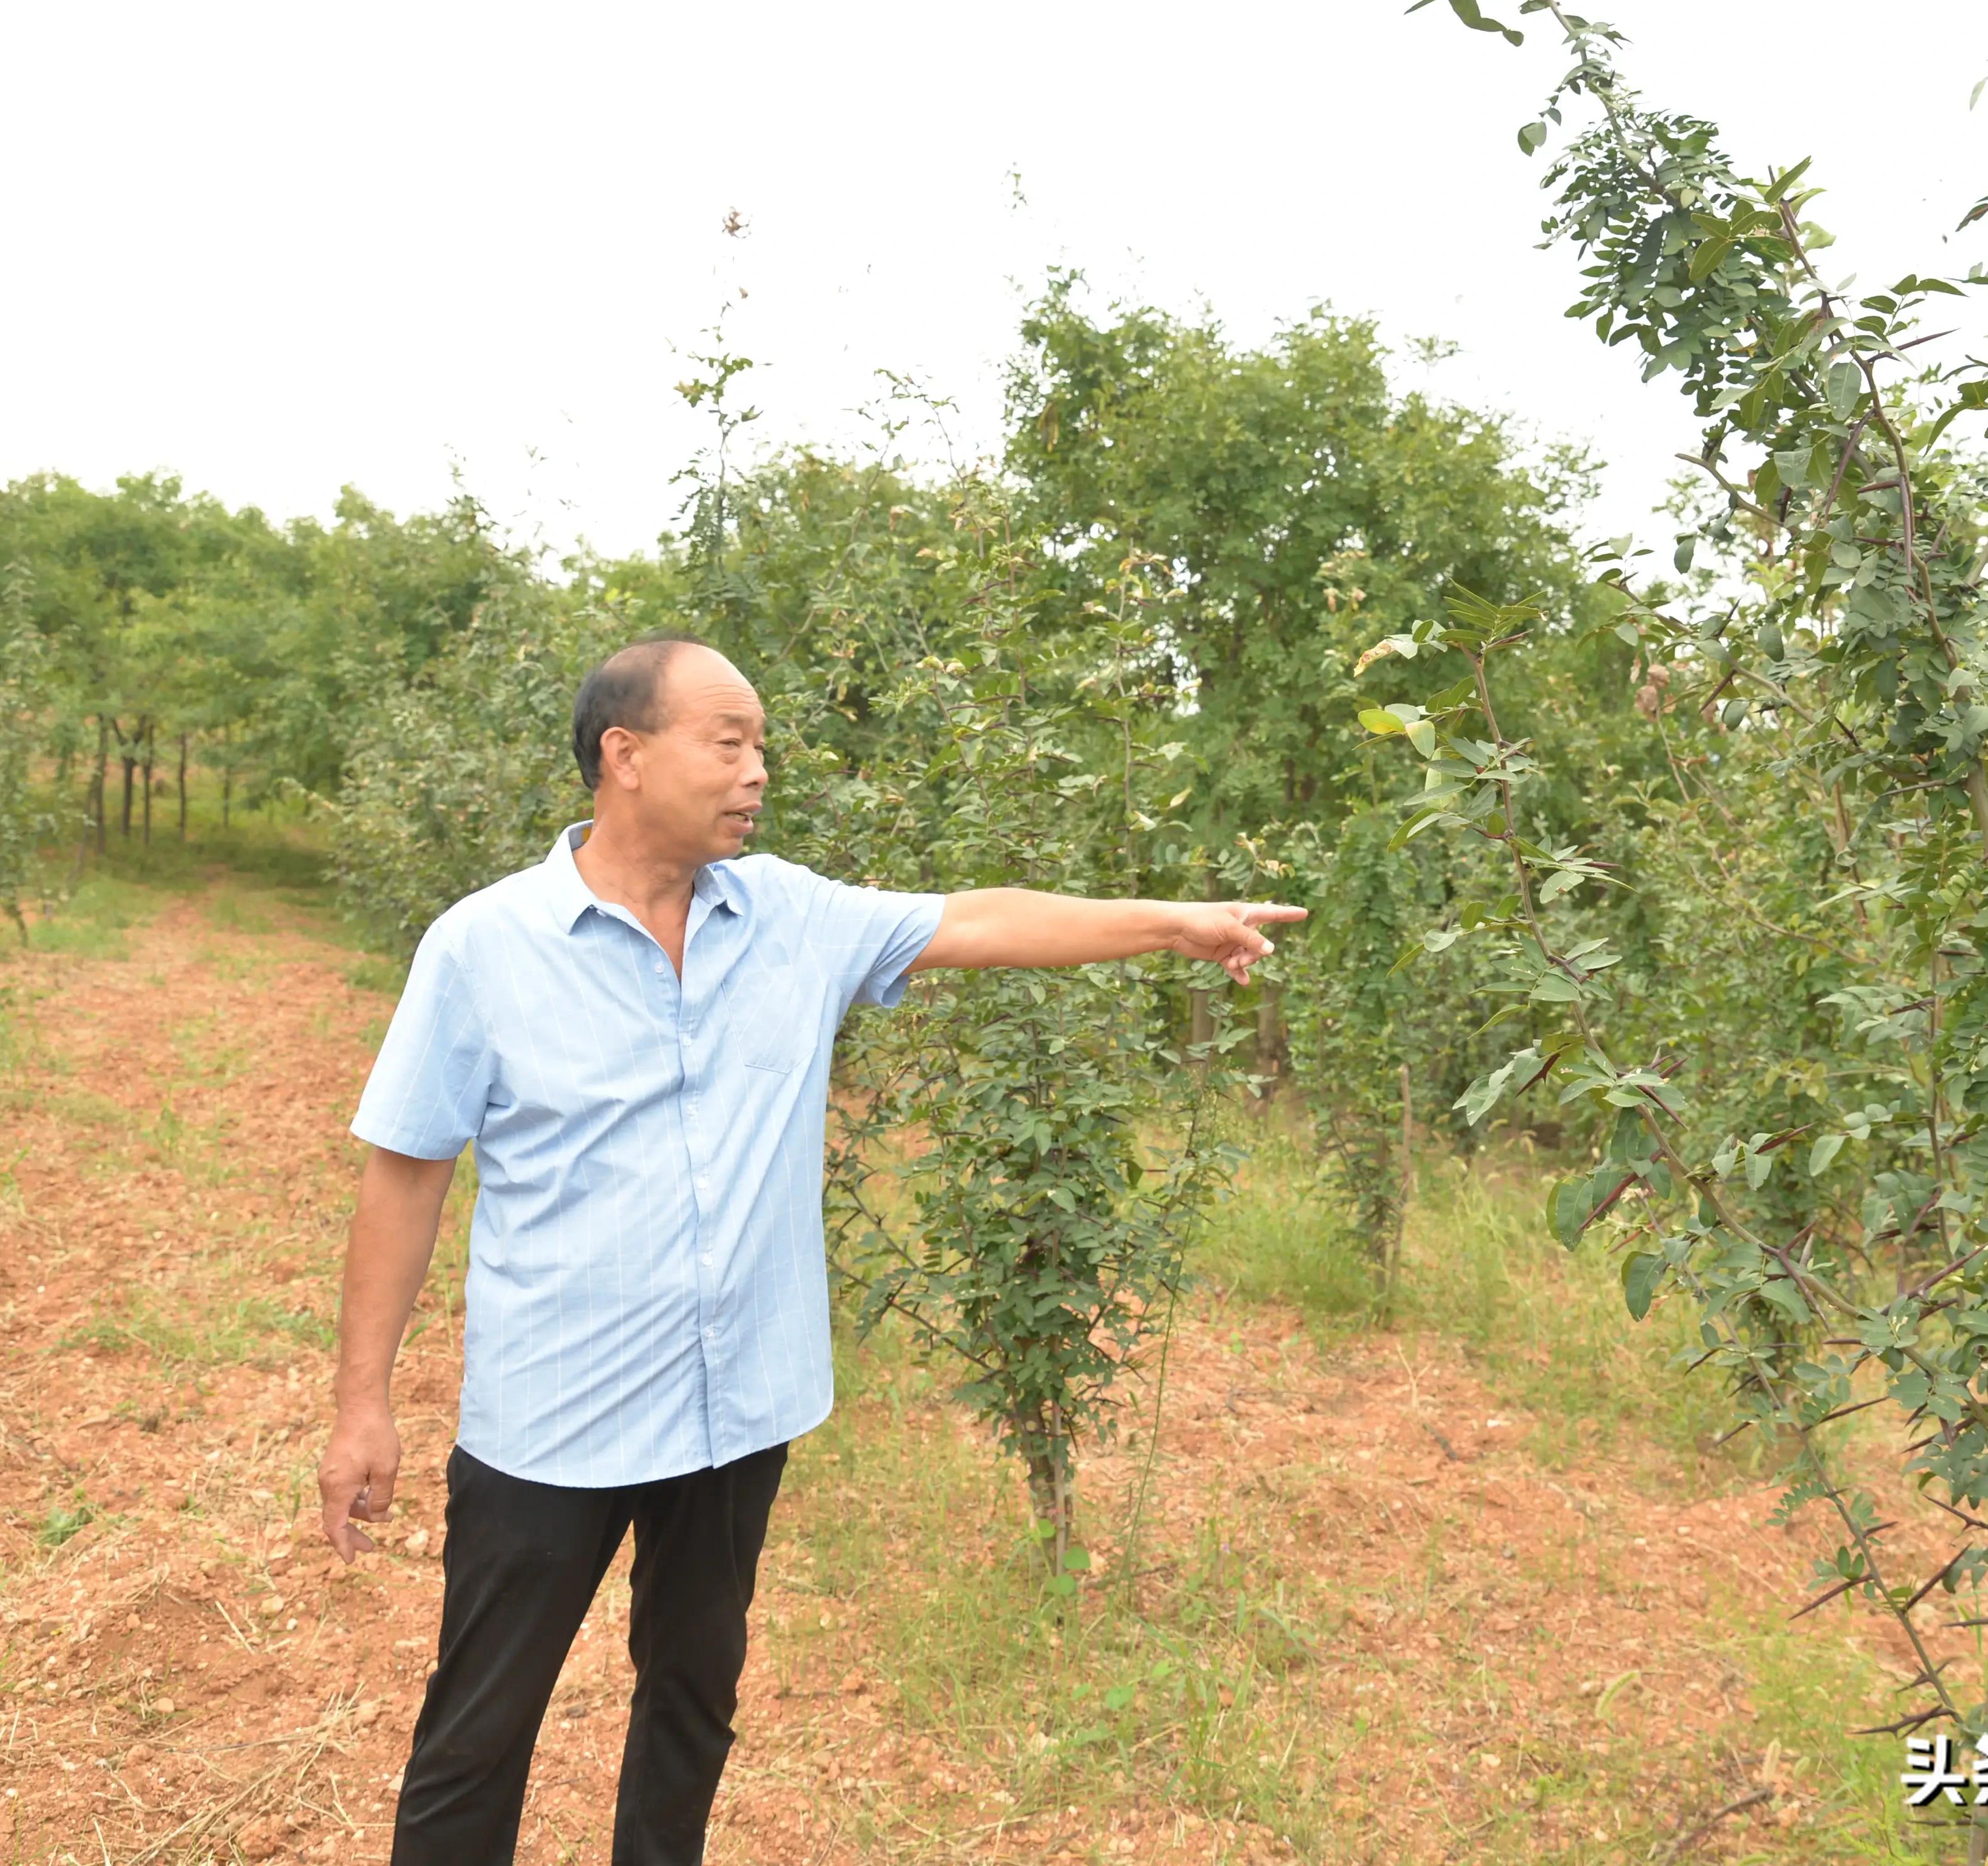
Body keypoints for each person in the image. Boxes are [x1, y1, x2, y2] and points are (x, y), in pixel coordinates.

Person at [315, 636, 1302, 1865]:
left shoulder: (791, 917)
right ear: (624, 755)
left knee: (691, 1702)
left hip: (738, 1412)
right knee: (478, 1736)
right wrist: (363, 1405)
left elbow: (977, 915)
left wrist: (1174, 925)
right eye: (727, 741)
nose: (757, 770)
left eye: (762, 745)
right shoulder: (483, 947)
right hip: (552, 1425)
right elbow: (405, 1171)